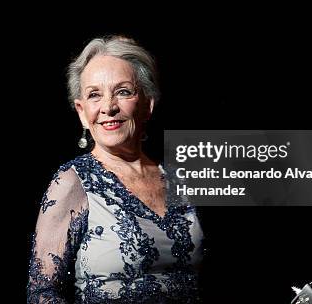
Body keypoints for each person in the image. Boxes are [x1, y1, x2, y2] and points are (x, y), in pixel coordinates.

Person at [27, 35, 204, 303]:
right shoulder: (72, 182)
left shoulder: (179, 179)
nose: (108, 107)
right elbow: (43, 293)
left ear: (147, 104)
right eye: (94, 95)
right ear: (81, 112)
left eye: (123, 91)